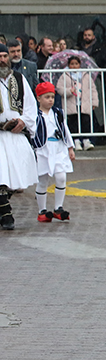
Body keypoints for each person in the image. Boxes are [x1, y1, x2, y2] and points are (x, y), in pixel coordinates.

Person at [0, 43, 39, 231]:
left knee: (19, 176)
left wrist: (23, 121)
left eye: (4, 56)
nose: (2, 60)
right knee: (1, 176)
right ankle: (6, 214)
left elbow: (31, 106)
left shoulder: (19, 78)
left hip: (15, 134)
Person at [32, 82, 75, 222]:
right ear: (39, 98)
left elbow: (65, 130)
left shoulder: (58, 113)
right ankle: (42, 211)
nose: (50, 100)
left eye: (52, 97)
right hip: (42, 149)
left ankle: (58, 208)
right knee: (43, 180)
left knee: (61, 177)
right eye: (47, 97)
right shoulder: (34, 115)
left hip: (58, 147)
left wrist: (70, 147)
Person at [56, 56, 99, 151]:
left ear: (80, 65)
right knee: (73, 122)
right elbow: (59, 89)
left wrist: (94, 102)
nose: (74, 66)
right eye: (72, 64)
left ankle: (86, 141)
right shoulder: (64, 76)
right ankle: (76, 141)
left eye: (76, 64)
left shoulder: (86, 75)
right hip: (71, 103)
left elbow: (92, 89)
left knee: (86, 121)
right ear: (68, 65)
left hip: (84, 102)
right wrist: (69, 91)